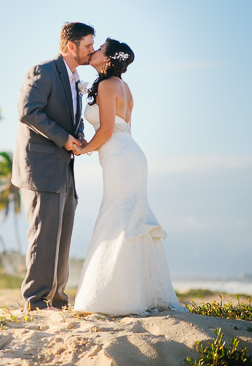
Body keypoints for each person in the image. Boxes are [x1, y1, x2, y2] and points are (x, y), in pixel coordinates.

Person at [72, 38, 185, 316]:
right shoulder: (121, 86)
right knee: (129, 218)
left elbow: (108, 130)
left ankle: (117, 296)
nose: (94, 50)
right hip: (129, 154)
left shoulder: (109, 85)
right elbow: (119, 126)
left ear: (108, 59)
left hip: (120, 157)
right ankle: (137, 292)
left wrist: (84, 148)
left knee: (118, 217)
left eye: (99, 49)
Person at [12, 22, 95, 311]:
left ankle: (58, 300)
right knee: (43, 235)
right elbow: (28, 112)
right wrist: (64, 139)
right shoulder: (43, 71)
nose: (92, 51)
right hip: (41, 166)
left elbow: (71, 116)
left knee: (62, 235)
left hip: (65, 169)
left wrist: (78, 134)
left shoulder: (75, 80)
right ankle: (35, 301)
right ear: (71, 46)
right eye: (87, 45)